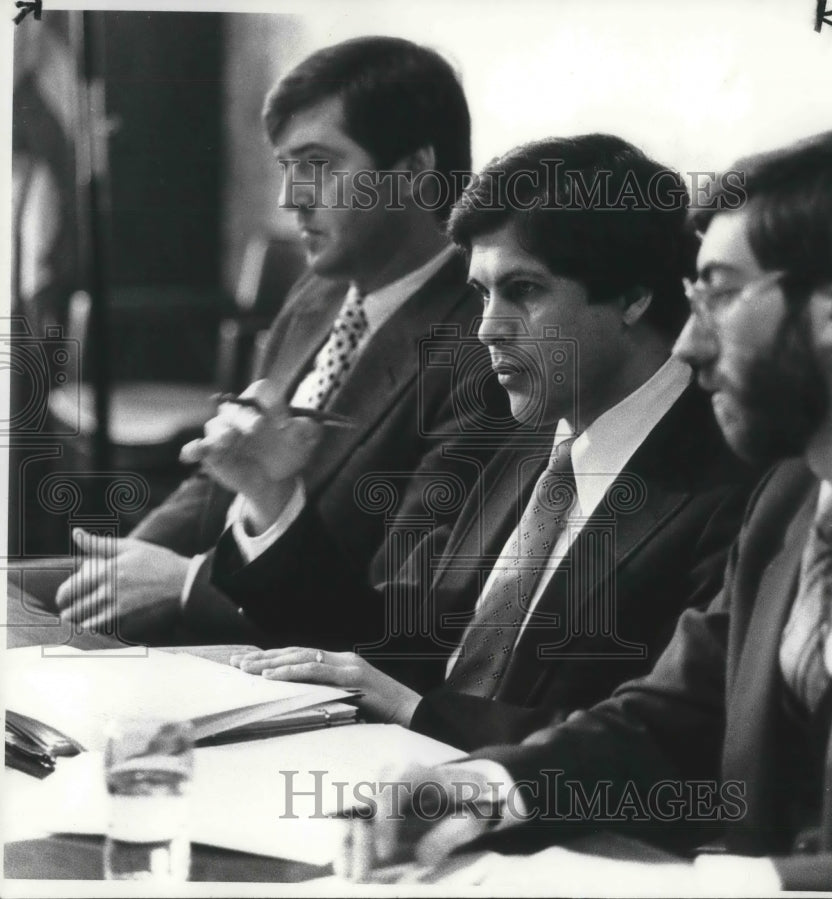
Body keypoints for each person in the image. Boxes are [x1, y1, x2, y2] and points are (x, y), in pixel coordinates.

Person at [333, 123, 832, 893]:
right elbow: (666, 720)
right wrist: (482, 786)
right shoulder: (793, 501)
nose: (692, 345)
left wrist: (708, 887)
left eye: (722, 295)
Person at [204, 134, 755, 747]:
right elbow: (401, 638)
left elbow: (669, 741)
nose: (488, 329)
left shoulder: (734, 482)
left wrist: (417, 713)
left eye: (524, 291)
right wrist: (270, 495)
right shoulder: (527, 437)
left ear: (632, 296)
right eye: (482, 294)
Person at [51, 37, 510, 648]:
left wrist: (186, 583)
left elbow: (396, 612)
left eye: (317, 165)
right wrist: (129, 562)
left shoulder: (486, 348)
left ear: (413, 172)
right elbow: (225, 476)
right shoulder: (320, 294)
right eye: (287, 167)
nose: (288, 198)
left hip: (291, 665)